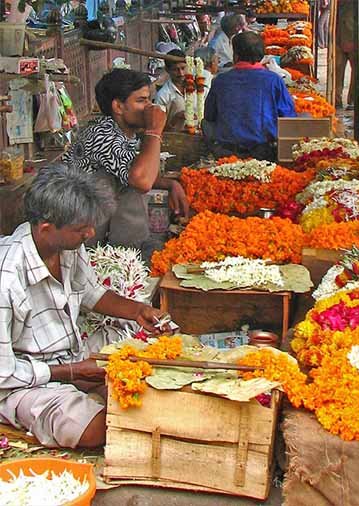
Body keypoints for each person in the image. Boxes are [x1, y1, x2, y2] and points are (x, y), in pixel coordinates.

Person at [0, 166, 173, 448]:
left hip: (69, 355)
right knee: (93, 428)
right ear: (46, 228)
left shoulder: (65, 246)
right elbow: (4, 373)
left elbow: (91, 292)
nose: (90, 233)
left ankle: (88, 393)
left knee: (144, 365)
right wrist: (73, 372)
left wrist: (137, 310)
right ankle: (78, 401)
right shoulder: (7, 279)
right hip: (21, 383)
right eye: (82, 229)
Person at [63, 69, 188, 259]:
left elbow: (132, 170)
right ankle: (128, 257)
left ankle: (127, 256)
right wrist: (154, 131)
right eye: (141, 100)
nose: (149, 107)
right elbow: (141, 181)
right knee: (133, 189)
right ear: (118, 107)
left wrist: (170, 183)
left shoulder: (125, 133)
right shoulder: (101, 134)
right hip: (71, 222)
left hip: (92, 217)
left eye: (149, 100)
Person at [204, 31, 297, 161]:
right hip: (264, 152)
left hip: (227, 153)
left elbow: (209, 116)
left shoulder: (220, 80)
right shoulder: (273, 80)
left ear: (236, 55)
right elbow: (288, 116)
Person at [155, 48, 215, 132]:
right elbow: (157, 128)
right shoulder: (163, 95)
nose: (181, 73)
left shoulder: (198, 86)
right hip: (174, 139)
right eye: (175, 70)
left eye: (183, 68)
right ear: (167, 70)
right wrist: (176, 117)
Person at [335, 0, 359, 109]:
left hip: (356, 40)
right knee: (337, 72)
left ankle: (352, 100)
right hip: (339, 39)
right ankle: (337, 99)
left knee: (356, 73)